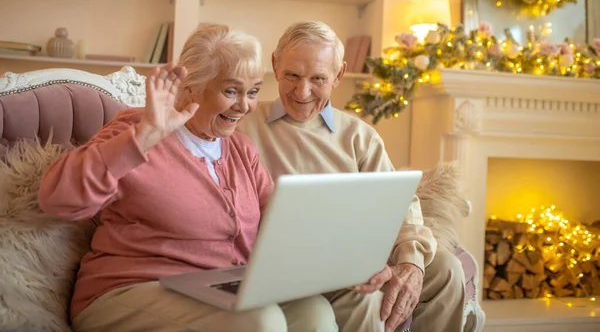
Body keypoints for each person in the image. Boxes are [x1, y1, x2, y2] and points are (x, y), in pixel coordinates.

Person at [38, 24, 340, 332]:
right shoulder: (137, 128)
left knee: (313, 311)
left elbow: (281, 222)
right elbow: (57, 200)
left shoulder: (240, 149)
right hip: (129, 290)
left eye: (252, 92)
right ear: (193, 85)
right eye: (231, 91)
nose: (245, 106)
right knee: (260, 321)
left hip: (220, 290)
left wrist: (344, 262)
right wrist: (145, 135)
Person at [237, 20, 466, 332]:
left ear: (339, 75)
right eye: (292, 75)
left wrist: (410, 261)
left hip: (360, 252)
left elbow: (399, 205)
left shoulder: (359, 136)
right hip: (297, 262)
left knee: (447, 270)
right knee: (364, 296)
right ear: (275, 65)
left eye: (318, 78)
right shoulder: (243, 124)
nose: (302, 91)